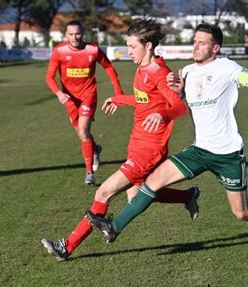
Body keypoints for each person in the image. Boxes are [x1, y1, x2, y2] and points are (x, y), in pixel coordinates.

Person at [87, 23, 248, 257]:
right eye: (194, 41)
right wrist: (179, 91)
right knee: (152, 181)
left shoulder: (227, 67)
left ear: (215, 48)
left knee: (242, 213)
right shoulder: (188, 71)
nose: (196, 46)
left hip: (227, 153)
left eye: (202, 43)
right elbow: (179, 100)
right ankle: (113, 227)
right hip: (199, 150)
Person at [42, 18, 200, 262]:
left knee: (103, 192)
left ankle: (67, 246)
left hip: (150, 149)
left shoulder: (160, 73)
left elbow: (179, 107)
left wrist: (162, 113)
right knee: (140, 196)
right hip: (137, 142)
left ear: (148, 46)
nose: (128, 52)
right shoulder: (142, 69)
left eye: (132, 47)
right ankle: (187, 196)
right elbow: (144, 100)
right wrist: (121, 99)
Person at [45, 20, 124, 185]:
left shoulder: (92, 50)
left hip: (88, 95)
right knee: (82, 134)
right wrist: (59, 93)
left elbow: (109, 68)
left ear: (83, 33)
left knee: (83, 130)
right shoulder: (59, 51)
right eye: (71, 34)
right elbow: (49, 77)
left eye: (78, 33)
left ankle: (89, 173)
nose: (75, 37)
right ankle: (95, 149)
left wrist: (118, 93)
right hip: (69, 99)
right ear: (66, 35)